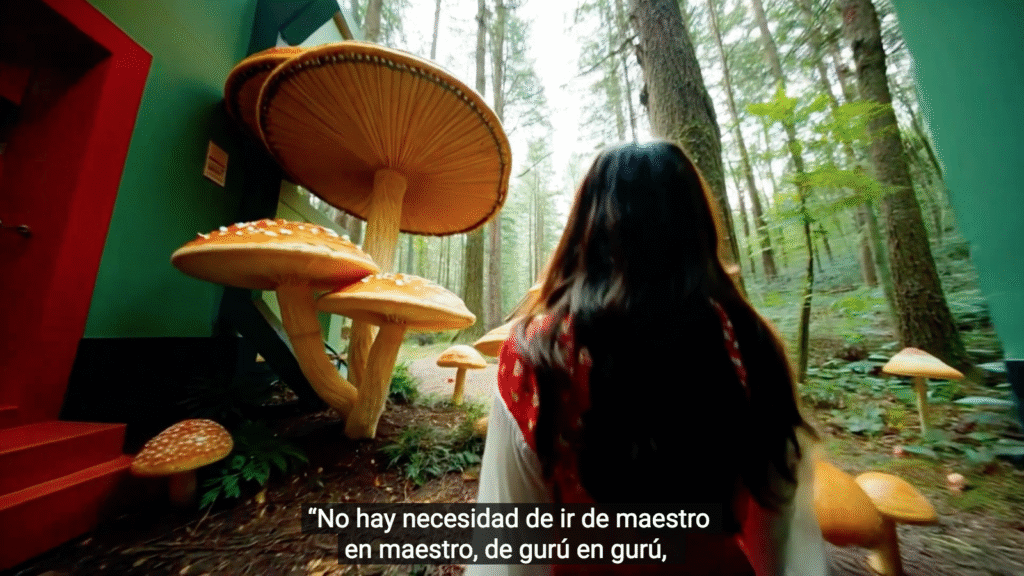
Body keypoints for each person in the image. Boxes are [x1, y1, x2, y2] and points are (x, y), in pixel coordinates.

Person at [469, 141, 828, 576]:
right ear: (696, 226)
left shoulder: (537, 352)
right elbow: (785, 542)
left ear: (586, 229)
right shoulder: (750, 341)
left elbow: (508, 552)